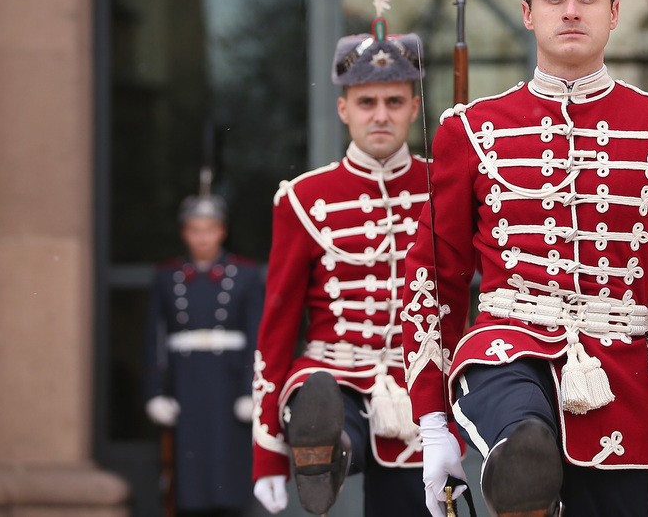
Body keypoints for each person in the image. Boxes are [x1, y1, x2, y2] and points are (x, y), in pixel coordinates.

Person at [401, 0, 648, 517]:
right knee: (526, 452)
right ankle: (521, 460)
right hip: (506, 351)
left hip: (623, 378)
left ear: (614, 13)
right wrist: (432, 420)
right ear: (527, 12)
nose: (570, 11)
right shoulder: (469, 129)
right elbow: (434, 275)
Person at [251, 31, 436, 516]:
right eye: (366, 101)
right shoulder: (303, 198)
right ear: (343, 109)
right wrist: (266, 452)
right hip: (331, 374)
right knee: (325, 412)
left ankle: (335, 452)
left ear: (414, 109)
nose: (380, 115)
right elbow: (277, 329)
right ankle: (326, 452)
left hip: (416, 383)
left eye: (394, 101)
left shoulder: (444, 186)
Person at [144, 193, 264, 517]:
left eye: (209, 229)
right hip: (187, 384)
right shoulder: (166, 277)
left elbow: (257, 335)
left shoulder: (246, 275)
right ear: (185, 233)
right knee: (187, 480)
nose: (202, 237)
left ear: (221, 231)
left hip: (227, 385)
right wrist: (156, 393)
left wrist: (249, 390)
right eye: (195, 229)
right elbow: (155, 338)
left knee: (228, 475)